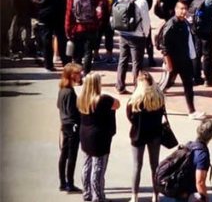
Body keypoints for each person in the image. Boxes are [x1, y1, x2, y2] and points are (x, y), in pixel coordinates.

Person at [158, 0, 206, 120]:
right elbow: (164, 45)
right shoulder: (171, 24)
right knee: (165, 85)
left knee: (188, 85)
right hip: (173, 61)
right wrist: (168, 63)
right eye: (181, 9)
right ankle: (149, 104)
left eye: (185, 9)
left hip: (185, 60)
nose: (184, 11)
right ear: (176, 10)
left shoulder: (184, 23)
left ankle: (192, 111)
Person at [78, 72, 120, 202]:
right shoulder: (103, 99)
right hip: (99, 137)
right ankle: (98, 197)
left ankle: (87, 193)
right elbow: (117, 104)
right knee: (98, 168)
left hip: (85, 133)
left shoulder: (81, 98)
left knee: (86, 165)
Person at [126, 72, 165, 202]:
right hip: (155, 135)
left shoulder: (134, 101)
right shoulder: (159, 98)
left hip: (138, 135)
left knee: (137, 166)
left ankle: (134, 196)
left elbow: (130, 118)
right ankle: (156, 196)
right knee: (155, 166)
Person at [115, 0, 152, 94]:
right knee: (137, 63)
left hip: (123, 34)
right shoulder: (142, 2)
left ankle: (120, 86)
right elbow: (146, 20)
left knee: (123, 60)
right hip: (137, 36)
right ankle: (137, 87)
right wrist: (146, 34)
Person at [65, 0, 100, 74]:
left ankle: (77, 75)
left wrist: (68, 30)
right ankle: (86, 73)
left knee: (77, 54)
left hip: (77, 27)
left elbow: (69, 14)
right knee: (88, 51)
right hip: (91, 26)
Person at [57, 63, 84, 193]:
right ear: (72, 75)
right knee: (71, 155)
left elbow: (59, 106)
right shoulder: (70, 92)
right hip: (72, 125)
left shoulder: (62, 90)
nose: (80, 75)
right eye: (78, 73)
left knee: (64, 154)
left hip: (64, 124)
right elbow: (73, 111)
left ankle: (63, 182)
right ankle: (70, 183)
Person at [184, 120, 212, 201]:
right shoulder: (202, 155)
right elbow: (200, 183)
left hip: (179, 190)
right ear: (211, 136)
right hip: (188, 194)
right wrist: (206, 199)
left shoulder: (189, 145)